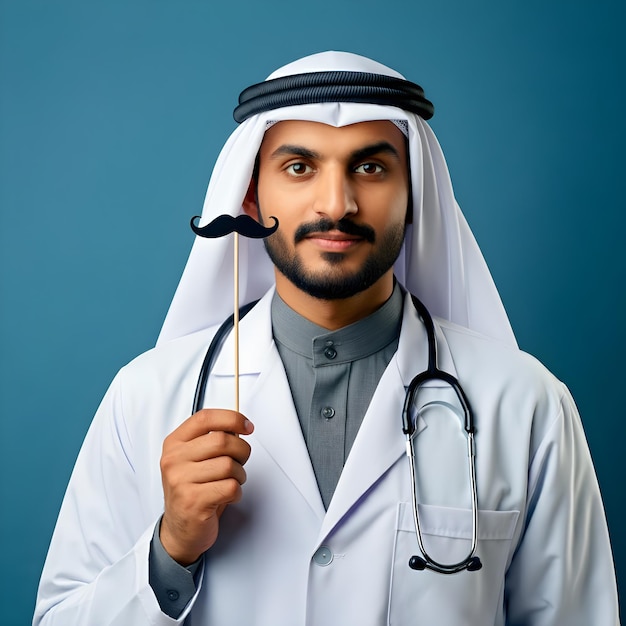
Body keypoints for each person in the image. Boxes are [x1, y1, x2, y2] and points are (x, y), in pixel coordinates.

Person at [33, 51, 619, 625]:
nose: (336, 204)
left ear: (415, 195)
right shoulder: (145, 397)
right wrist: (171, 551)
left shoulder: (526, 404)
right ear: (250, 197)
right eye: (299, 167)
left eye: (370, 167)